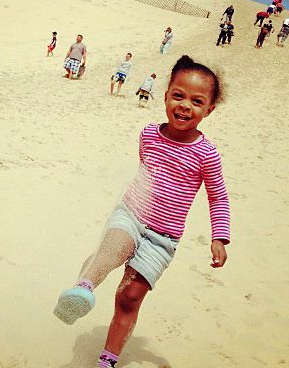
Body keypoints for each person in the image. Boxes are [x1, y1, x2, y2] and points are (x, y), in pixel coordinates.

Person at [53, 55, 230, 368]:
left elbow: (218, 197)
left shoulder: (207, 153)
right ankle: (82, 290)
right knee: (112, 249)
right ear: (165, 96)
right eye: (178, 95)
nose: (185, 105)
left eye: (197, 101)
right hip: (133, 213)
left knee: (129, 297)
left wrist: (220, 236)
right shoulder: (149, 134)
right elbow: (144, 169)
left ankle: (106, 361)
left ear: (209, 109)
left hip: (163, 238)